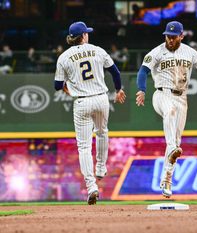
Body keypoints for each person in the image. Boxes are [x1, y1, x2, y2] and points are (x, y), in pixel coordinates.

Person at [135, 21, 197, 198]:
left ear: (181, 36)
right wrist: (141, 90)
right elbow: (142, 71)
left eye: (173, 36)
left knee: (177, 143)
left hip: (181, 98)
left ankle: (166, 181)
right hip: (161, 94)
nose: (170, 39)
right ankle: (171, 147)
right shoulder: (157, 52)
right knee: (170, 113)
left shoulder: (190, 52)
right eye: (167, 36)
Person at [54, 21, 126, 205]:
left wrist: (68, 89)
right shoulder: (98, 50)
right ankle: (101, 167)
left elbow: (57, 85)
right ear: (83, 36)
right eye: (87, 33)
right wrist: (118, 90)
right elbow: (115, 72)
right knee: (102, 133)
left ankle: (91, 186)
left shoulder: (63, 57)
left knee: (84, 147)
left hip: (82, 102)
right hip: (101, 99)